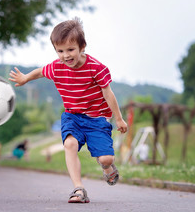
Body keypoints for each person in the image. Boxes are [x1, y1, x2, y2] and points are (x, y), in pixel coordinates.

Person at [9, 18, 128, 203]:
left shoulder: (97, 68)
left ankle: (106, 167)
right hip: (72, 116)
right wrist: (25, 78)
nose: (66, 56)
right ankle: (78, 189)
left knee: (105, 158)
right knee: (70, 145)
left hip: (97, 119)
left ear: (82, 46)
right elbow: (40, 71)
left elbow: (108, 93)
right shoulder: (57, 67)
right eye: (60, 51)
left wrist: (119, 119)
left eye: (70, 49)